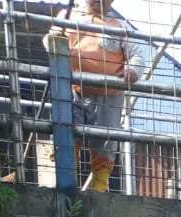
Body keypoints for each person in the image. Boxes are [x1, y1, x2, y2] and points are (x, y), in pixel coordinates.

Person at [45, 0, 147, 193]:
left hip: (109, 95)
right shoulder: (68, 17)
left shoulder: (120, 26)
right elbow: (49, 41)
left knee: (106, 140)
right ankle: (65, 183)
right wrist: (54, 40)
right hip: (73, 90)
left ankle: (99, 187)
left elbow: (138, 56)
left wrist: (132, 71)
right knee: (66, 131)